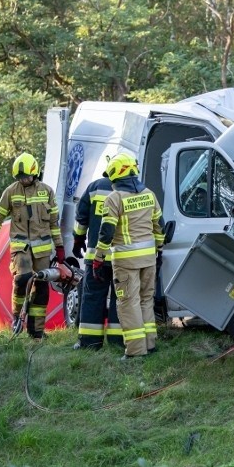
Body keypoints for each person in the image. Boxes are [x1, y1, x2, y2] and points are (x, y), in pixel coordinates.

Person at [0, 153, 63, 341]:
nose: (23, 180)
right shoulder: (11, 191)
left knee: (41, 288)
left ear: (35, 173)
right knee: (22, 280)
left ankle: (36, 331)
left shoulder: (47, 191)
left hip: (43, 249)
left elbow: (54, 222)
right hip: (21, 247)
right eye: (19, 178)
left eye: (26, 176)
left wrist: (59, 247)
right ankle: (17, 319)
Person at [94, 153, 164, 359]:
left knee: (128, 303)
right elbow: (159, 227)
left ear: (117, 177)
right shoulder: (149, 195)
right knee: (145, 300)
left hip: (126, 261)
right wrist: (158, 249)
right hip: (149, 259)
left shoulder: (114, 199)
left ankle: (135, 352)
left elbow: (106, 232)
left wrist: (98, 258)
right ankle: (150, 345)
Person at [72, 170, 122, 350]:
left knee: (93, 296)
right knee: (120, 298)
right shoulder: (133, 190)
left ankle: (89, 342)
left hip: (96, 257)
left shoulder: (95, 187)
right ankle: (118, 342)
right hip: (122, 258)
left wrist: (78, 240)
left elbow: (81, 217)